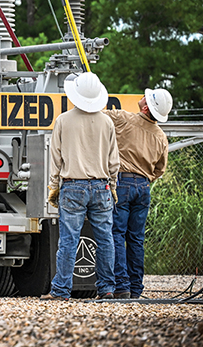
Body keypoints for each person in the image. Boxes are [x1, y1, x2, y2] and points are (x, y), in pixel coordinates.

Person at [45, 72, 120, 300]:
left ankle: (61, 290)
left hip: (72, 186)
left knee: (68, 239)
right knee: (105, 238)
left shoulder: (63, 120)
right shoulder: (107, 122)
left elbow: (55, 158)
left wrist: (54, 186)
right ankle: (107, 288)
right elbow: (113, 160)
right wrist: (113, 185)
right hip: (101, 186)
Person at [104, 88, 172, 299]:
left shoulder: (123, 119)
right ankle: (136, 288)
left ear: (145, 107)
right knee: (136, 238)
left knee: (116, 233)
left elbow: (97, 114)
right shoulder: (160, 136)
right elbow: (160, 169)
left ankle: (121, 285)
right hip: (144, 187)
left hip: (122, 183)